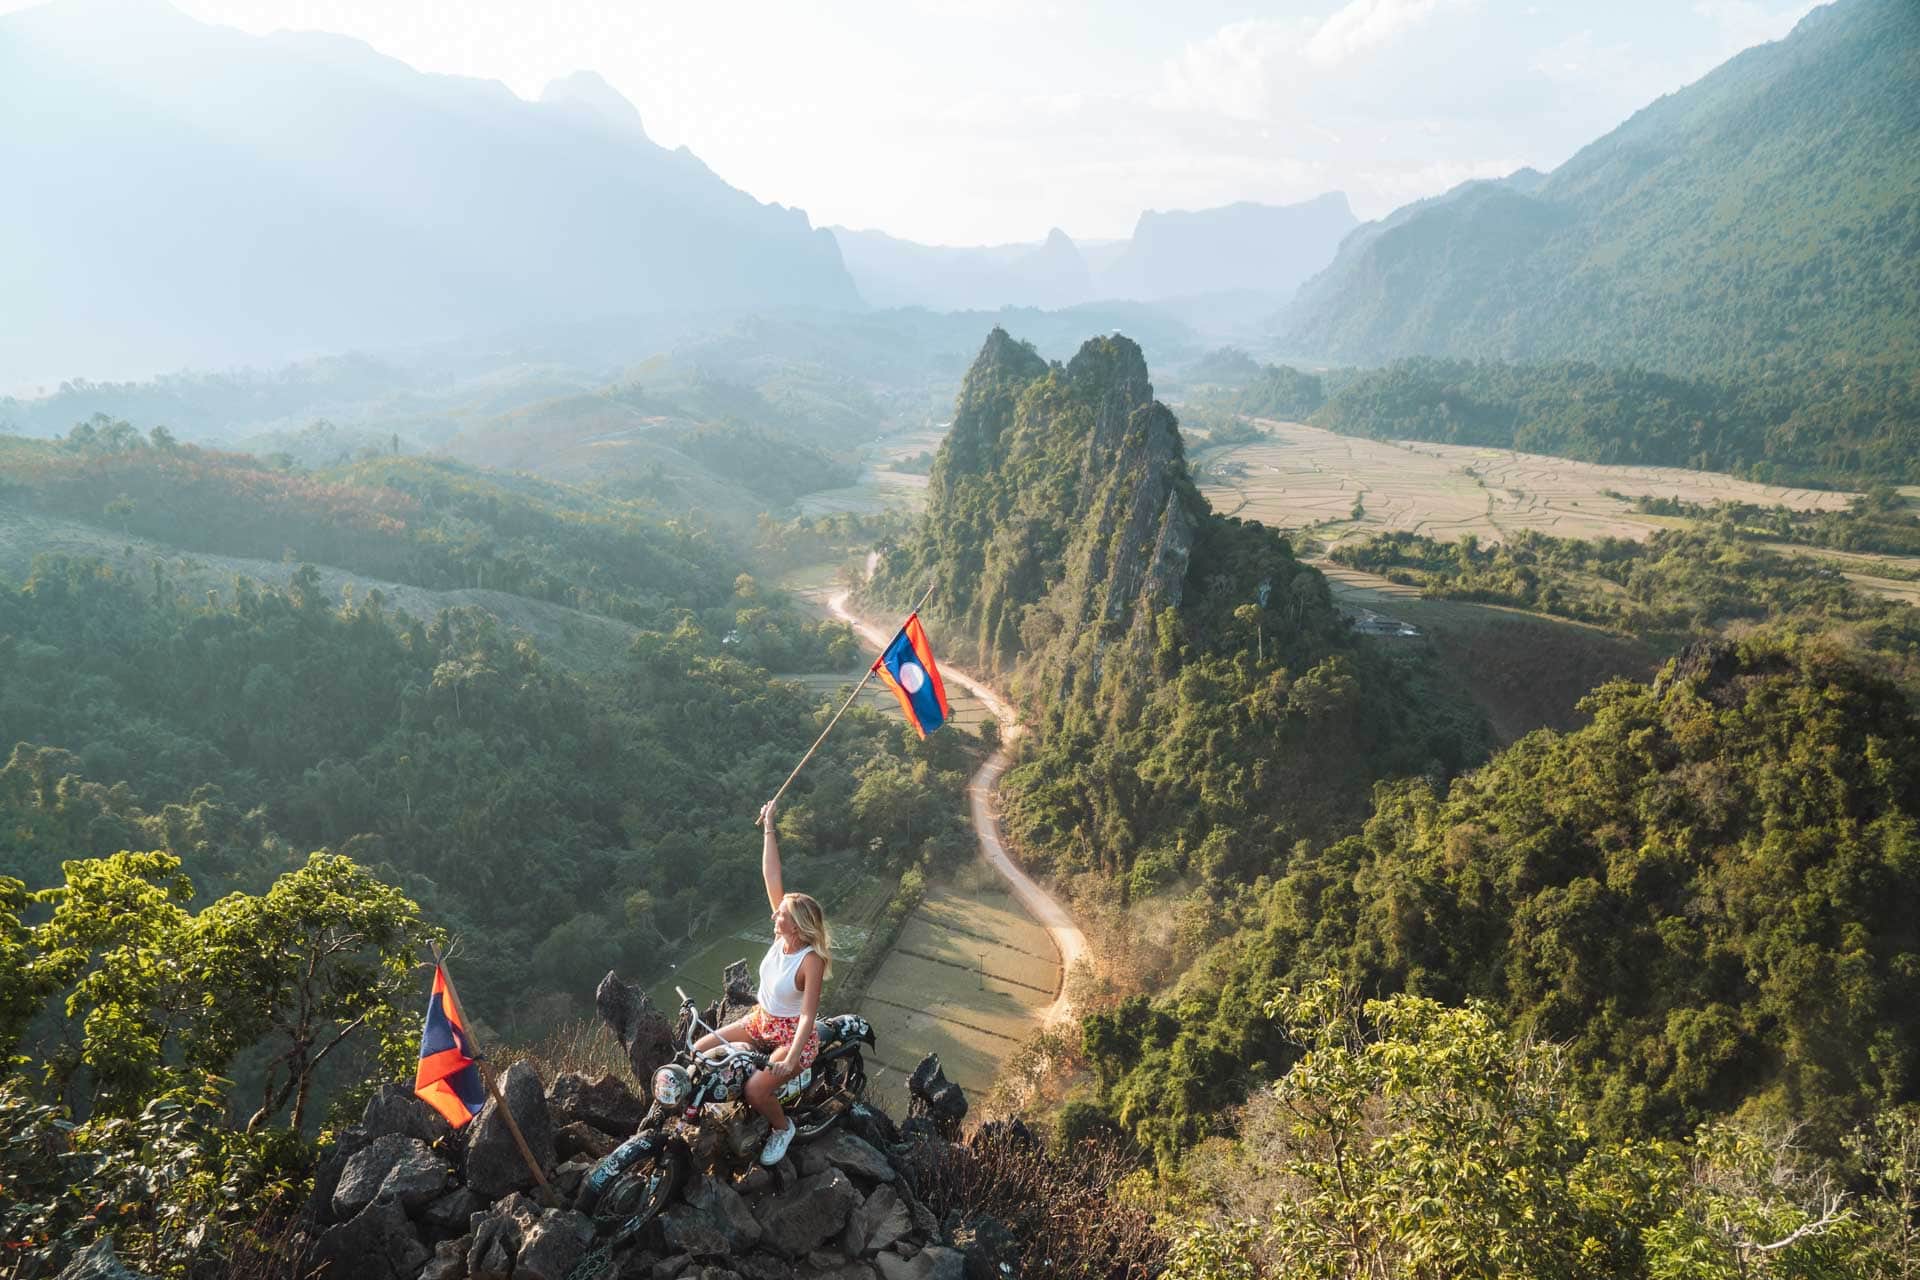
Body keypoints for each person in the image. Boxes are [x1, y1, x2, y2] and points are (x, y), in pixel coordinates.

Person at [692, 797, 832, 1165]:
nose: (774, 916)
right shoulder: (780, 938)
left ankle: (783, 1128)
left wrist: (790, 1061)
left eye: (780, 914)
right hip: (760, 1021)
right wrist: (769, 824)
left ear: (797, 923)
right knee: (699, 1051)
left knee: (756, 1089)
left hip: (791, 1036)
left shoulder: (810, 960)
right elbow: (771, 875)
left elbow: (806, 1016)